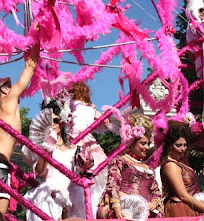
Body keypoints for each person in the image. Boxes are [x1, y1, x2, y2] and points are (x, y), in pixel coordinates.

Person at [0, 41, 40, 221]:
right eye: (9, 85)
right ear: (4, 89)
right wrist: (37, 40)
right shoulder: (9, 100)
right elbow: (30, 68)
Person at [23, 100, 83, 220]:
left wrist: (86, 163)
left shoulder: (75, 148)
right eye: (49, 122)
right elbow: (39, 172)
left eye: (56, 120)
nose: (53, 124)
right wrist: (45, 152)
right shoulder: (44, 146)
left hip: (71, 196)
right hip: (51, 194)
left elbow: (80, 173)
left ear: (62, 122)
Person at [97, 113, 164, 219]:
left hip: (145, 215)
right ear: (132, 143)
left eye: (148, 143)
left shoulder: (149, 169)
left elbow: (155, 191)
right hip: (124, 211)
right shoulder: (120, 161)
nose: (147, 147)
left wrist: (154, 203)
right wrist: (117, 208)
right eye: (143, 143)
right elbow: (112, 186)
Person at [68, 82, 109, 218]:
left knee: (74, 173)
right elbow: (105, 123)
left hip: (74, 139)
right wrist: (106, 119)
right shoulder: (91, 108)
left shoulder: (71, 104)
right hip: (86, 140)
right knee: (97, 175)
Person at [160, 120, 204, 216]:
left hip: (192, 206)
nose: (183, 149)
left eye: (185, 145)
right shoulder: (170, 165)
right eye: (179, 145)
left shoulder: (179, 163)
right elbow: (183, 195)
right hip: (180, 208)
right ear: (169, 146)